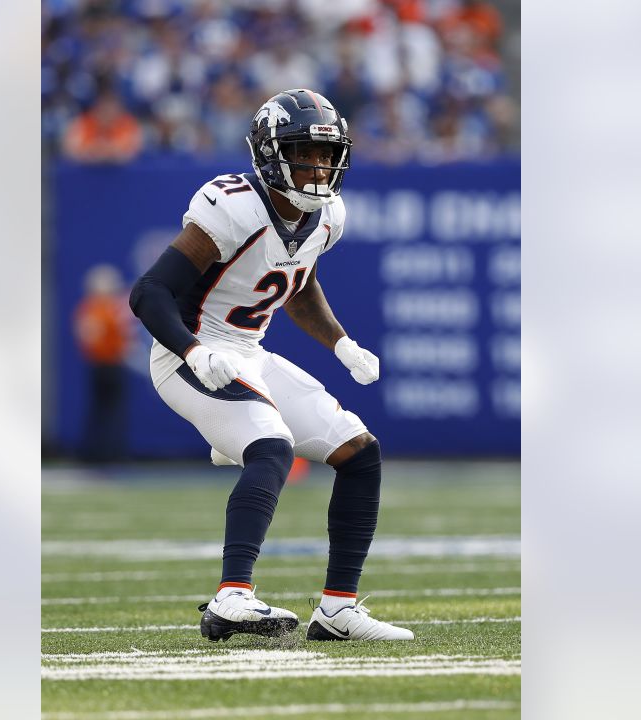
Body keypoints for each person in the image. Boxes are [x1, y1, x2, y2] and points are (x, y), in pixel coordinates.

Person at [128, 89, 413, 642]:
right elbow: (150, 291)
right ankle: (232, 595)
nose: (319, 166)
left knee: (360, 452)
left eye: (329, 155)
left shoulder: (328, 217)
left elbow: (297, 286)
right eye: (306, 152)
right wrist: (192, 349)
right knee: (273, 445)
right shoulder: (233, 206)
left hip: (249, 352)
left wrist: (341, 344)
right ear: (269, 152)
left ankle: (337, 611)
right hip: (190, 353)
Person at [74, 264, 132, 462]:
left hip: (107, 363)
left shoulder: (98, 307)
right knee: (106, 410)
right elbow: (91, 335)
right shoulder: (99, 308)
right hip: (106, 364)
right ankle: (102, 454)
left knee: (107, 410)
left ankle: (106, 452)